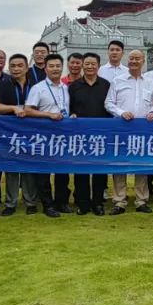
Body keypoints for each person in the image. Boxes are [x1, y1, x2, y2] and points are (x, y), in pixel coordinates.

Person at [104, 49, 153, 214]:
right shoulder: (117, 81)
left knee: (141, 165)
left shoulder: (150, 82)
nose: (134, 61)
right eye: (132, 58)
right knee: (120, 164)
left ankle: (141, 200)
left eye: (137, 59)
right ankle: (119, 201)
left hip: (142, 130)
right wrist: (121, 113)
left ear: (143, 61)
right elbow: (108, 103)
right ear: (128, 61)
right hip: (121, 128)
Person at [0, 54, 44, 215]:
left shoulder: (36, 85)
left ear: (27, 68)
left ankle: (31, 202)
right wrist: (13, 108)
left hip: (32, 131)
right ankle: (10, 204)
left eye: (20, 65)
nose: (16, 69)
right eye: (13, 66)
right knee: (12, 168)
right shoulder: (4, 84)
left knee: (29, 167)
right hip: (10, 132)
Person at [24, 53, 71, 217]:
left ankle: (61, 202)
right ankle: (47, 205)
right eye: (51, 66)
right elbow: (28, 110)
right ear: (45, 68)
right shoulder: (38, 88)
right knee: (43, 172)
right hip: (44, 135)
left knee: (62, 172)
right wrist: (49, 115)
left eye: (58, 66)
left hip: (62, 136)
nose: (55, 69)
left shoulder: (65, 87)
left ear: (62, 67)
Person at [68, 52, 111, 215]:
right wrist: (71, 114)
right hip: (80, 135)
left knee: (100, 171)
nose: (90, 67)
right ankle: (83, 203)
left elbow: (110, 107)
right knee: (81, 171)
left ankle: (98, 203)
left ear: (98, 66)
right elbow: (69, 107)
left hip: (101, 135)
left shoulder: (106, 85)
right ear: (82, 65)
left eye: (93, 64)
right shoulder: (74, 86)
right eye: (87, 64)